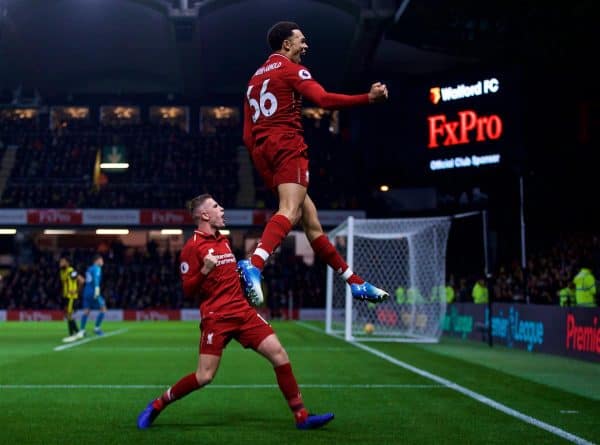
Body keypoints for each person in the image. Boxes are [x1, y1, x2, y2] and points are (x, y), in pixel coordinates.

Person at [136, 193, 334, 430]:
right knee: (204, 377)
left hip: (243, 312)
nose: (222, 209)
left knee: (279, 354)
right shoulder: (192, 248)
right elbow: (188, 289)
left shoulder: (224, 241)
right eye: (216, 206)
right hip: (216, 317)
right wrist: (205, 271)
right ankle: (157, 404)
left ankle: (301, 416)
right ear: (205, 215)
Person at [239, 20, 390, 307]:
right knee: (290, 211)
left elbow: (247, 135)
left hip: (263, 150)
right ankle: (254, 264)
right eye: (301, 40)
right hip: (287, 144)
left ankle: (354, 282)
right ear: (287, 44)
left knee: (312, 224)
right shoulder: (292, 70)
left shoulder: (254, 80)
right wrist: (367, 99)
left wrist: (265, 161)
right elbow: (322, 99)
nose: (305, 45)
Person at [74, 253, 106, 338]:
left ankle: (82, 330)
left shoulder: (89, 269)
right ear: (97, 260)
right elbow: (95, 279)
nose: (102, 261)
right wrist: (97, 290)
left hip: (86, 292)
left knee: (86, 311)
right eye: (101, 260)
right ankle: (97, 328)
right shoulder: (97, 268)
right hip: (93, 291)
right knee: (103, 308)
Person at [59, 256, 84, 342]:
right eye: (60, 262)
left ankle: (75, 333)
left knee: (69, 314)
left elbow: (81, 280)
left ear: (67, 263)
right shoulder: (62, 272)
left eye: (62, 262)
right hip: (66, 296)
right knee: (67, 315)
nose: (60, 263)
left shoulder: (71, 271)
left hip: (71, 297)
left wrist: (76, 291)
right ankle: (75, 333)